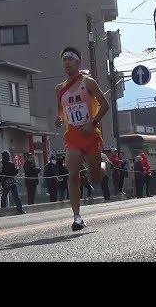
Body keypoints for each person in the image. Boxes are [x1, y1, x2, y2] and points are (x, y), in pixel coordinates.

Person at [55, 46, 110, 231]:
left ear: (78, 62)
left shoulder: (89, 83)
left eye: (70, 59)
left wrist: (93, 123)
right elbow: (62, 110)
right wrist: (58, 118)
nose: (66, 63)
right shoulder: (60, 89)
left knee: (95, 178)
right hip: (73, 137)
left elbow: (105, 105)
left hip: (91, 135)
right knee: (72, 175)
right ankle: (77, 217)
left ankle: (103, 164)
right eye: (64, 60)